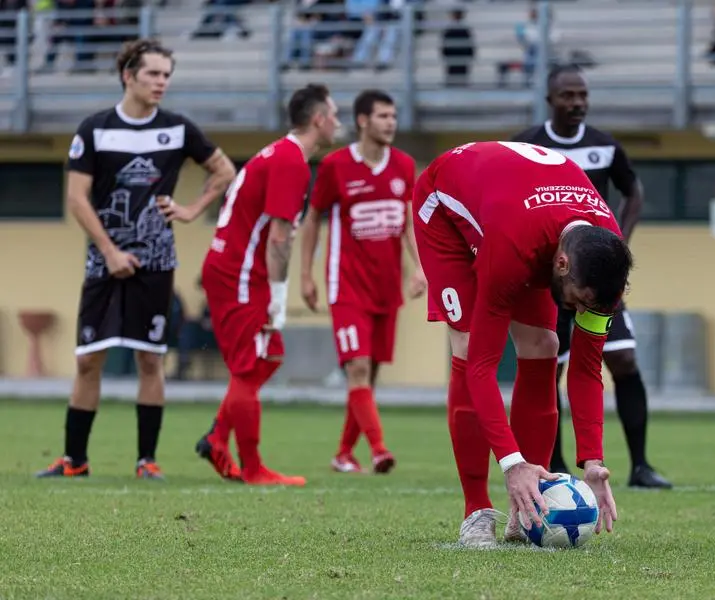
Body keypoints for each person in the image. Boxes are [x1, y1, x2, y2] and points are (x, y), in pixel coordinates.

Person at [36, 38, 236, 480]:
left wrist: (190, 210)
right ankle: (75, 461)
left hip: (157, 262)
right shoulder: (95, 129)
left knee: (150, 359)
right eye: (153, 74)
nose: (162, 82)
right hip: (103, 263)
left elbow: (225, 171)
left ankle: (147, 461)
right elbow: (76, 198)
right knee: (89, 358)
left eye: (167, 75)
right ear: (128, 76)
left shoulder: (178, 129)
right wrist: (109, 251)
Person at [414, 140, 626, 548]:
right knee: (468, 343)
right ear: (561, 265)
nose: (578, 310)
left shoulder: (606, 266)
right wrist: (511, 463)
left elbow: (584, 369)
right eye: (577, 300)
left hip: (523, 213)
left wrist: (593, 460)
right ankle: (476, 511)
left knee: (544, 345)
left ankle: (527, 509)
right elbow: (481, 367)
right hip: (445, 209)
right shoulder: (513, 247)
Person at [511, 63, 671, 489]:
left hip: (596, 278)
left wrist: (619, 243)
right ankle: (559, 465)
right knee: (551, 369)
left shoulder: (604, 146)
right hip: (556, 279)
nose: (577, 102)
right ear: (550, 99)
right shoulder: (528, 144)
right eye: (568, 95)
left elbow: (633, 191)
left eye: (582, 94)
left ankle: (640, 465)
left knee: (623, 359)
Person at [196, 83, 341, 486]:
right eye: (334, 114)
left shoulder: (282, 154)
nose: (338, 122)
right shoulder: (291, 161)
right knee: (248, 368)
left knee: (267, 357)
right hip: (240, 274)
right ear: (318, 119)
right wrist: (278, 298)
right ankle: (254, 467)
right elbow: (279, 237)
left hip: (240, 270)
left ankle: (217, 437)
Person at [299, 89, 425, 475]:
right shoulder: (336, 166)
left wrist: (420, 268)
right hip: (347, 286)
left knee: (369, 376)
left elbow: (407, 223)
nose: (391, 123)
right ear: (363, 121)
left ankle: (343, 454)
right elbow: (312, 220)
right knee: (357, 368)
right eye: (383, 116)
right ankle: (379, 449)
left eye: (393, 116)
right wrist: (305, 274)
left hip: (387, 288)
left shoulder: (404, 165)